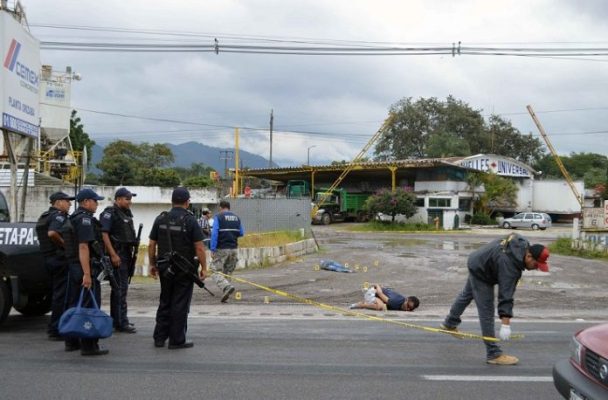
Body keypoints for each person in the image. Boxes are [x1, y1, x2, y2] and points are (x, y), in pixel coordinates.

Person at [440, 233, 550, 366]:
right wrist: (505, 325)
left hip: (479, 260)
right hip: (482, 271)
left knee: (466, 295)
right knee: (487, 311)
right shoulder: (510, 265)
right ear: (528, 256)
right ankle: (493, 353)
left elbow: (512, 235)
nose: (536, 268)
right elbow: (506, 296)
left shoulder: (522, 244)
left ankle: (449, 323)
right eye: (536, 264)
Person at [148, 187, 207, 349]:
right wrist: (204, 267)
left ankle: (159, 338)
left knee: (165, 300)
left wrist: (152, 264)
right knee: (180, 303)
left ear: (172, 201)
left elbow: (152, 244)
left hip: (164, 266)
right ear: (187, 202)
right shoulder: (190, 220)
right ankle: (177, 339)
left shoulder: (161, 218)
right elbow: (199, 247)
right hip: (184, 268)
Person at [62, 188, 109, 356]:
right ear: (86, 202)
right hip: (84, 268)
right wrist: (87, 274)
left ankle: (71, 341)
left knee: (75, 304)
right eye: (95, 201)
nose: (97, 204)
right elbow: (83, 246)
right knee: (89, 306)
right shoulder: (84, 220)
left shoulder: (74, 217)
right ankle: (89, 345)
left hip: (75, 267)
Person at [35, 191, 75, 340]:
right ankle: (56, 329)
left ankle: (56, 328)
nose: (69, 204)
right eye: (67, 201)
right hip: (60, 260)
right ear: (58, 202)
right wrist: (66, 246)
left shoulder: (45, 216)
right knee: (63, 296)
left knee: (58, 294)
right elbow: (52, 233)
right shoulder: (58, 216)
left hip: (50, 259)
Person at [100, 187, 138, 334]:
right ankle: (121, 322)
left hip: (126, 254)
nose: (130, 202)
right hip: (117, 254)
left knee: (121, 289)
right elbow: (104, 234)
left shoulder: (125, 213)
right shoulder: (110, 213)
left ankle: (119, 319)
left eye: (130, 199)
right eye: (127, 199)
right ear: (118, 199)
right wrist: (113, 254)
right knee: (120, 289)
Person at [209, 200, 244, 303]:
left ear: (220, 207)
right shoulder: (237, 218)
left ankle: (226, 287)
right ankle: (226, 292)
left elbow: (214, 233)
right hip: (234, 249)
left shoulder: (218, 217)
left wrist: (212, 248)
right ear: (229, 207)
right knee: (228, 272)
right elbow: (241, 233)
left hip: (222, 248)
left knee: (214, 270)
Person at [349, 284, 420, 312]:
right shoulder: (395, 302)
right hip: (373, 292)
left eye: (411, 309)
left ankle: (365, 303)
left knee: (383, 307)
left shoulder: (403, 304)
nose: (408, 309)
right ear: (406, 300)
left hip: (377, 295)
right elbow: (380, 293)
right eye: (408, 306)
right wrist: (377, 285)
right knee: (380, 306)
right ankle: (360, 305)